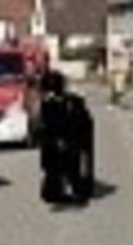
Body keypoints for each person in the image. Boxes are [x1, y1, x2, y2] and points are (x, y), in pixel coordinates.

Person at [38, 70, 94, 205]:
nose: (46, 95)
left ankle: (75, 191)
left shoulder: (71, 102)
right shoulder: (48, 103)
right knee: (58, 169)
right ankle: (66, 190)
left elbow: (82, 124)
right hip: (61, 143)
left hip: (71, 140)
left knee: (69, 168)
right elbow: (45, 127)